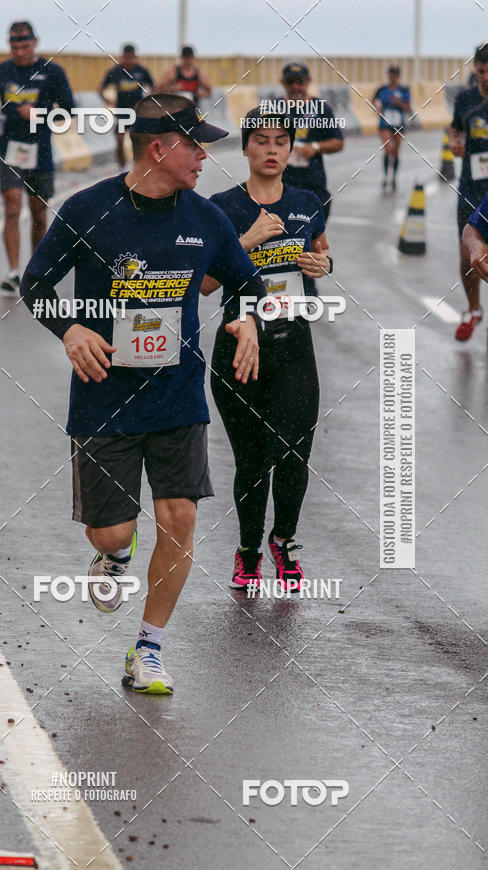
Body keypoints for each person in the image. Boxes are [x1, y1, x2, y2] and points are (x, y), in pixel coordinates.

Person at [20, 95, 266, 694]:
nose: (205, 156)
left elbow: (248, 282)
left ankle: (148, 649)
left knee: (179, 519)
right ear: (159, 148)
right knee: (114, 531)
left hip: (178, 396)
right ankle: (114, 552)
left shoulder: (206, 219)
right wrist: (71, 327)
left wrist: (248, 319)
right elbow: (35, 283)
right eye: (195, 144)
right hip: (104, 395)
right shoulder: (88, 210)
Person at [201, 107, 332, 593]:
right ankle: (249, 550)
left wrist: (324, 264)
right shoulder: (221, 206)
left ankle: (285, 539)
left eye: (281, 141)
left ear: (291, 148)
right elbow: (207, 285)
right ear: (245, 148)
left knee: (295, 453)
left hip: (294, 344)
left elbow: (322, 249)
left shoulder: (306, 199)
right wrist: (246, 240)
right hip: (239, 349)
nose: (272, 149)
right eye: (262, 141)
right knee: (252, 461)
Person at [0, 20, 74, 294]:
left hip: (40, 149)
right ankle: (12, 272)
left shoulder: (52, 72)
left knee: (38, 213)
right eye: (15, 46)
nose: (20, 52)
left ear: (35, 42)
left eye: (25, 45)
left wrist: (40, 114)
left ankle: (35, 272)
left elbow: (68, 110)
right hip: (9, 147)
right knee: (11, 205)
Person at [449, 43, 488, 341]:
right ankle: (474, 307)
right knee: (468, 254)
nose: (486, 77)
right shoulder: (465, 100)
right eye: (482, 71)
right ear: (475, 69)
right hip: (470, 190)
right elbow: (454, 130)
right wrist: (456, 143)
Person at [279, 63, 343, 222]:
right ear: (282, 83)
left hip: (313, 183)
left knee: (315, 241)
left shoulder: (321, 109)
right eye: (290, 82)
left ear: (308, 81)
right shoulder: (274, 108)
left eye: (299, 81)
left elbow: (338, 142)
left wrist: (315, 147)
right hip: (280, 185)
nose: (295, 87)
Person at [99, 44, 154, 167]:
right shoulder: (116, 71)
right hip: (122, 113)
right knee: (119, 140)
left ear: (135, 57)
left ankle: (140, 166)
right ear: (122, 57)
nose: (128, 61)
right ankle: (121, 167)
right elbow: (101, 87)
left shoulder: (141, 71)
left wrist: (146, 102)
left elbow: (153, 87)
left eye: (131, 58)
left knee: (139, 142)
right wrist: (107, 99)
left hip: (137, 113)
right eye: (126, 58)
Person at [372, 66, 411, 191]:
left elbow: (408, 107)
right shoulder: (382, 89)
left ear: (398, 76)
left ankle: (393, 178)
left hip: (399, 123)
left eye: (394, 75)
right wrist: (377, 107)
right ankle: (385, 177)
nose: (392, 77)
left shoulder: (404, 89)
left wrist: (399, 103)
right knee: (388, 149)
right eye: (390, 75)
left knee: (396, 152)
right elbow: (373, 100)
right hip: (385, 122)